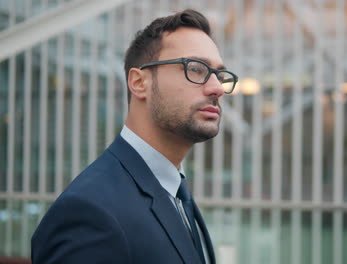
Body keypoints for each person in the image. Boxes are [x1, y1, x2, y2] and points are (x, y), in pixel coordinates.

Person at [31, 9, 238, 264]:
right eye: (195, 68)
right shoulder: (90, 212)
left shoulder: (176, 194)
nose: (217, 87)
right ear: (139, 83)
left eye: (219, 74)